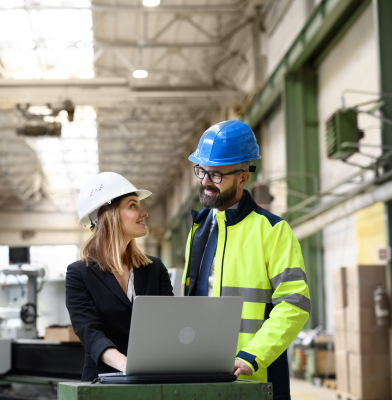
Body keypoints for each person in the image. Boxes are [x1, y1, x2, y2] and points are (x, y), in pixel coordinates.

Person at [183, 120, 310, 400]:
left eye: (216, 175)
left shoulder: (273, 231)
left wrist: (252, 356)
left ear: (243, 177)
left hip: (254, 375)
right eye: (201, 171)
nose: (205, 181)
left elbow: (294, 304)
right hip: (200, 372)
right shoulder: (198, 230)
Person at [65, 172, 174, 381]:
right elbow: (89, 332)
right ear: (110, 214)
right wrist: (126, 364)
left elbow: (169, 324)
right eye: (133, 205)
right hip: (103, 381)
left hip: (152, 377)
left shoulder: (154, 268)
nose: (144, 212)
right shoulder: (79, 274)